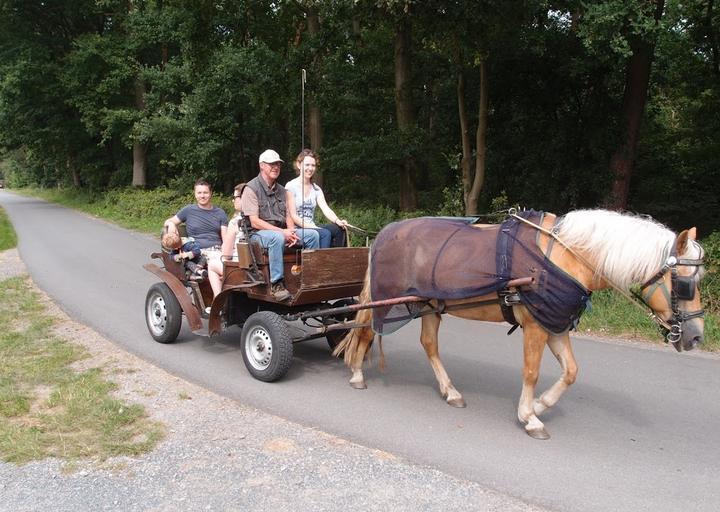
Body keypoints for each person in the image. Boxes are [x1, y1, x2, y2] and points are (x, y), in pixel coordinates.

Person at [241, 149, 319, 301]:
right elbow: (254, 221)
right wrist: (282, 232)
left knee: (313, 235)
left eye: (278, 164)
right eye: (271, 164)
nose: (276, 167)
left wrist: (291, 231)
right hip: (257, 234)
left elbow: (288, 215)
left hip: (280, 231)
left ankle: (309, 278)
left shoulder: (283, 190)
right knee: (276, 238)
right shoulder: (251, 189)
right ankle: (277, 284)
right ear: (262, 166)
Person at [164, 179, 227, 298]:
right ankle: (218, 303)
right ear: (195, 193)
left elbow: (226, 237)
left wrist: (226, 252)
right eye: (199, 193)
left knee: (233, 267)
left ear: (211, 193)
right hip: (197, 251)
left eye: (205, 192)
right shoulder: (189, 210)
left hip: (217, 250)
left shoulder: (220, 213)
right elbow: (168, 221)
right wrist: (172, 224)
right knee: (221, 268)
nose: (202, 196)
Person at [285, 149, 348, 248]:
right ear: (299, 165)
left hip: (312, 227)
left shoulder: (316, 189)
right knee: (325, 233)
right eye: (307, 165)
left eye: (313, 165)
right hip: (298, 228)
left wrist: (337, 220)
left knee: (339, 229)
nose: (310, 168)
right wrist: (314, 227)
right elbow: (293, 216)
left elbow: (326, 209)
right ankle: (321, 263)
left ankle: (336, 261)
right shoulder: (291, 186)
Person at [221, 183, 248, 262]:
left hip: (240, 264)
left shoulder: (235, 222)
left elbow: (227, 254)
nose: (233, 200)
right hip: (261, 264)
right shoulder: (261, 218)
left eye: (235, 197)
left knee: (212, 266)